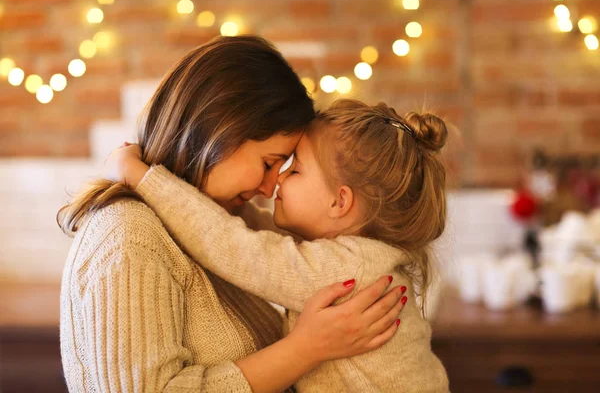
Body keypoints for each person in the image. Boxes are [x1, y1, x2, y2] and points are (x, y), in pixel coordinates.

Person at [57, 37, 404, 393]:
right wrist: (305, 348)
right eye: (269, 163)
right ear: (221, 128)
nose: (271, 189)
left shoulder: (213, 221)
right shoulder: (130, 237)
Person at [104, 99, 450, 392]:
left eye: (294, 170)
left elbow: (235, 247)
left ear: (339, 202)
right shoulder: (356, 255)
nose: (277, 180)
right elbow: (255, 235)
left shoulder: (349, 270)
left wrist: (143, 177)